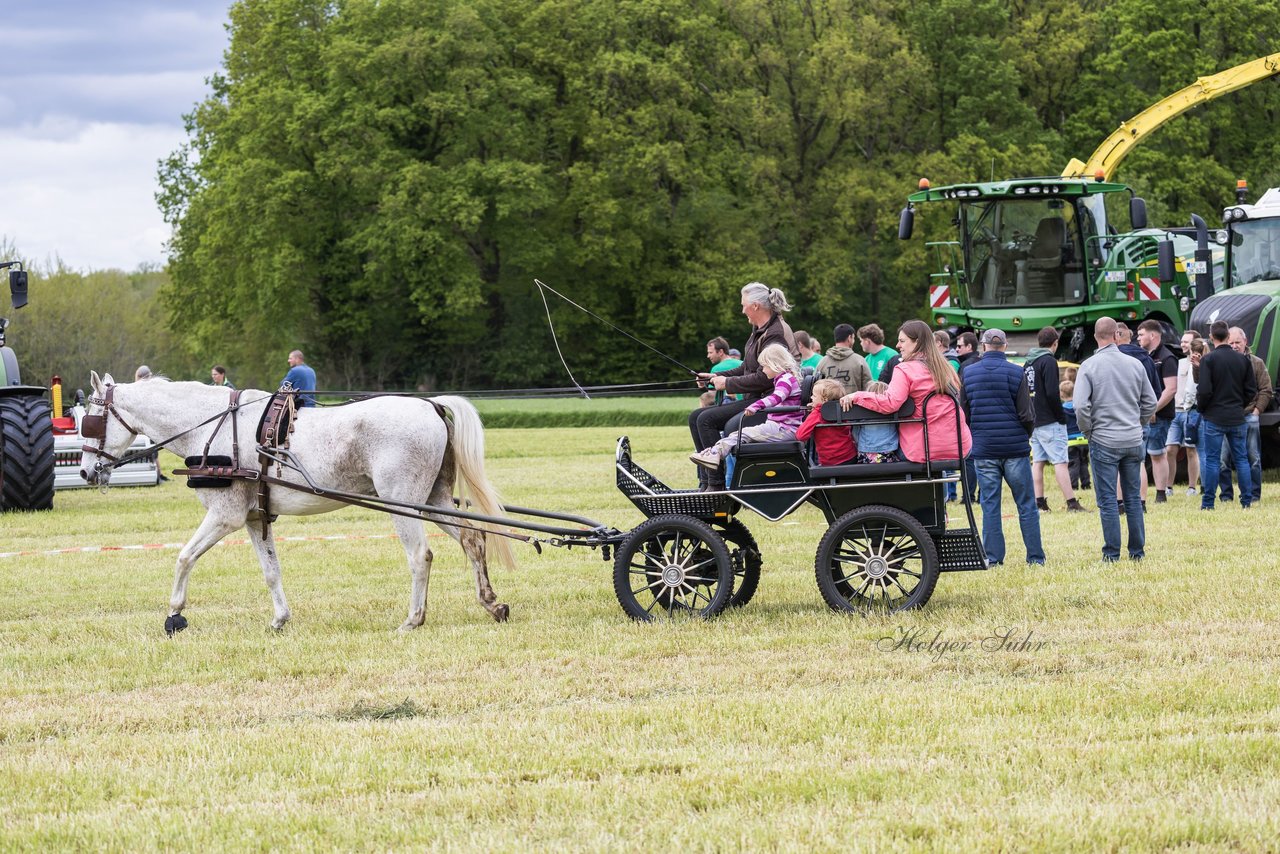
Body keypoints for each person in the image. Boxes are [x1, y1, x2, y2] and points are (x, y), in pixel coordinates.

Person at [691, 282, 800, 490]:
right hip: (755, 397)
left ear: (756, 306)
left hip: (767, 402)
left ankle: (717, 485)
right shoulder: (759, 330)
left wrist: (728, 384)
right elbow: (747, 367)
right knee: (696, 416)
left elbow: (766, 377)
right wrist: (714, 376)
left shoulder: (774, 333)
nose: (742, 310)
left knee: (706, 419)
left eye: (744, 305)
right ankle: (706, 482)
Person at [960, 328, 1044, 566]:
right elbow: (1027, 414)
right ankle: (1035, 558)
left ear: (983, 346)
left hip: (984, 449)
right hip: (1015, 448)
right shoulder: (1016, 372)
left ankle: (994, 558)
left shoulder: (968, 373)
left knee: (990, 505)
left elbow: (963, 414)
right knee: (1026, 504)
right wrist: (1023, 437)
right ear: (1005, 346)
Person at [1075, 318, 1157, 561]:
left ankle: (1111, 553)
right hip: (1133, 439)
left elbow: (1080, 406)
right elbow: (1150, 402)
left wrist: (1088, 431)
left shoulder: (1088, 366)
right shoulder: (1135, 364)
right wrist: (1138, 423)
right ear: (1117, 335)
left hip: (1103, 439)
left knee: (1108, 500)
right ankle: (1137, 552)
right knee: (1133, 498)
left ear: (1096, 337)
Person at [841, 319, 972, 466]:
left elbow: (890, 403)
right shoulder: (946, 367)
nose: (898, 346)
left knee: (884, 451)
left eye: (902, 341)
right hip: (959, 446)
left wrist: (857, 396)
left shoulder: (904, 369)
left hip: (923, 450)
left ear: (916, 342)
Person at [691, 345, 804, 470]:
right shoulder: (785, 378)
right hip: (780, 427)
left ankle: (714, 454)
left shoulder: (785, 380)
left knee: (741, 435)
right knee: (739, 434)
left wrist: (755, 406)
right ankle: (714, 452)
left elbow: (775, 398)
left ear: (774, 364)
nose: (763, 370)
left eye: (765, 366)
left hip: (783, 429)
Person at [1195, 321, 1256, 510]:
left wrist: (1203, 408)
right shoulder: (1243, 359)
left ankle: (1208, 503)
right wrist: (1240, 405)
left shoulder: (1208, 360)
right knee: (1242, 459)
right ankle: (1247, 500)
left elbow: (1204, 390)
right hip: (1237, 416)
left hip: (1214, 417)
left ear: (1211, 337)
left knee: (1213, 460)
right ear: (1229, 337)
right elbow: (1251, 390)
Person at [1024, 326, 1084, 513]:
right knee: (1060, 462)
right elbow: (1052, 392)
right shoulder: (1048, 361)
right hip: (1050, 420)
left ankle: (1039, 502)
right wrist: (1061, 416)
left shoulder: (1028, 362)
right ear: (1055, 343)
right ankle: (1071, 502)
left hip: (1034, 419)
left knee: (1038, 462)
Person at [1216, 326, 1272, 505]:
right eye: (1230, 342)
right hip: (1226, 416)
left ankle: (1254, 495)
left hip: (1249, 416)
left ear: (1245, 342)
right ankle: (1226, 495)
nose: (1234, 346)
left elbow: (1266, 389)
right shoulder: (1221, 362)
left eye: (1237, 342)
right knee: (1223, 459)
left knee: (1253, 458)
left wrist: (1256, 412)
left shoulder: (1256, 363)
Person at [1136, 320, 1179, 502]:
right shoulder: (1145, 356)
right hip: (1146, 414)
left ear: (1153, 335)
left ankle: (1161, 493)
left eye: (1141, 334)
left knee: (1157, 454)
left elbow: (1171, 389)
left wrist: (1152, 409)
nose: (1138, 338)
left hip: (1159, 415)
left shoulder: (1167, 357)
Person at [1166, 337, 1203, 496]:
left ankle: (1192, 487)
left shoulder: (1203, 363)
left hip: (1191, 412)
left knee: (1191, 450)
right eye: (1182, 341)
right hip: (1175, 412)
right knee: (1170, 449)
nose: (1182, 344)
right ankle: (1168, 487)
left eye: (1186, 341)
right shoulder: (1179, 362)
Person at [795, 378, 857, 466]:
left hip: (831, 461)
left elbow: (800, 436)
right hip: (850, 455)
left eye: (814, 396)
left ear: (824, 400)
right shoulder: (842, 408)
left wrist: (813, 412)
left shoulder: (817, 414)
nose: (811, 397)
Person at [849, 381, 902, 463]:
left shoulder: (861, 412)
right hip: (888, 453)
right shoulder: (891, 411)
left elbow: (855, 433)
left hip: (865, 455)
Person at [816, 323, 872, 395]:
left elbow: (815, 388)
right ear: (849, 338)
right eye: (853, 338)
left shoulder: (822, 362)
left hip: (828, 406)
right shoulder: (860, 361)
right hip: (854, 405)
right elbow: (869, 389)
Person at [1061, 379, 1091, 490]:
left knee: (1073, 464)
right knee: (1084, 463)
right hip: (1083, 439)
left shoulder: (1062, 410)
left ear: (1061, 394)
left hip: (1070, 441)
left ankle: (1073, 485)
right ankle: (1086, 484)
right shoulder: (1078, 407)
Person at [700, 337, 742, 406]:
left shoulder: (716, 369)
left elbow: (712, 395)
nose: (708, 356)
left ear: (720, 352)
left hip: (727, 408)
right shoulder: (742, 363)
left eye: (710, 352)